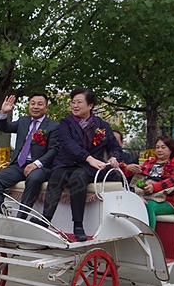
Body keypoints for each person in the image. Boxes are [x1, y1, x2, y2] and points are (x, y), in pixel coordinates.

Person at [37, 88, 121, 241]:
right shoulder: (65, 123)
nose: (75, 106)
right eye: (73, 102)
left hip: (89, 168)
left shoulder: (102, 126)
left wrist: (113, 158)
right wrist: (89, 158)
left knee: (78, 177)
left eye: (79, 102)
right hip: (67, 162)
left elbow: (115, 147)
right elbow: (69, 145)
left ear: (90, 105)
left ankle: (78, 225)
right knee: (57, 176)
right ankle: (45, 220)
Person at [0, 93, 59, 218]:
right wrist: (3, 113)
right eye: (32, 103)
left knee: (34, 179)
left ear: (46, 108)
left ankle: (21, 217)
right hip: (19, 165)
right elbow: (5, 127)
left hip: (41, 167)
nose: (35, 107)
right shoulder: (23, 121)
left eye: (40, 104)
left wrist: (36, 164)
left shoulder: (54, 126)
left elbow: (54, 150)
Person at [128, 136, 174, 230]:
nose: (159, 150)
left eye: (163, 147)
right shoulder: (149, 162)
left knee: (148, 205)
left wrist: (154, 187)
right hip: (144, 195)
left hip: (168, 201)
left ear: (171, 149)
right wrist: (128, 169)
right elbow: (134, 178)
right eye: (157, 147)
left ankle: (149, 238)